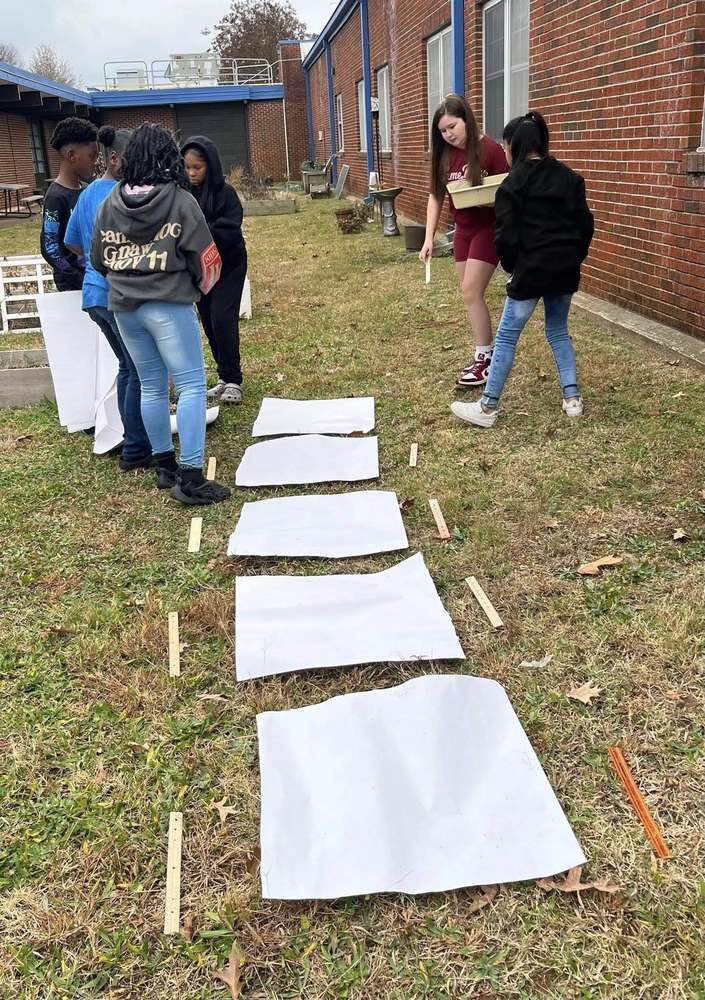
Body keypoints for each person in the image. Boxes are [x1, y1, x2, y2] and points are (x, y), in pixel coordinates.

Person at [90, 123, 231, 506]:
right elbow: (207, 259)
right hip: (169, 305)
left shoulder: (109, 203)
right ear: (168, 157)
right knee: (190, 386)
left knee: (151, 385)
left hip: (124, 308)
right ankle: (191, 476)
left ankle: (164, 466)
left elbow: (98, 260)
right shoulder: (180, 201)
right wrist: (198, 289)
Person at [450, 111, 594, 429]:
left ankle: (487, 408)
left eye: (505, 146)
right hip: (564, 270)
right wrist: (574, 259)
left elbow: (506, 237)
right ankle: (572, 399)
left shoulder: (512, 184)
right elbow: (586, 226)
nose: (504, 151)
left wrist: (514, 269)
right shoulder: (571, 178)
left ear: (514, 145)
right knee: (557, 331)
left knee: (505, 337)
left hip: (530, 271)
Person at [64, 126, 152, 471]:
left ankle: (134, 440)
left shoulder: (86, 195)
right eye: (132, 161)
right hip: (116, 295)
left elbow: (72, 242)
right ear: (114, 158)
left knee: (128, 368)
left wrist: (89, 258)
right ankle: (136, 448)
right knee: (141, 372)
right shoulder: (118, 195)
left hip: (93, 296)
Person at [419, 95, 508, 389]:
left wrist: (489, 201)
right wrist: (429, 237)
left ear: (466, 119)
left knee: (471, 289)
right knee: (469, 294)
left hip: (488, 227)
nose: (449, 135)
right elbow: (436, 196)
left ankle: (485, 360)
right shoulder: (444, 155)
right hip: (463, 230)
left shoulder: (490, 150)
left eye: (452, 127)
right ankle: (484, 353)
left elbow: (509, 192)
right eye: (443, 131)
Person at [181, 136, 247, 405]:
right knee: (207, 319)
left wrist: (201, 231)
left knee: (222, 317)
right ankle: (223, 375)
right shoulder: (183, 194)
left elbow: (231, 230)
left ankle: (234, 380)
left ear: (211, 165)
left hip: (228, 265)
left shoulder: (225, 194)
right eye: (186, 167)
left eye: (197, 167)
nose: (191, 173)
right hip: (200, 269)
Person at [41, 117, 98, 291]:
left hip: (93, 280)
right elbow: (50, 247)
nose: (95, 162)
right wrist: (77, 278)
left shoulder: (87, 190)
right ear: (71, 155)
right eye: (91, 156)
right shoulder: (55, 197)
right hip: (73, 287)